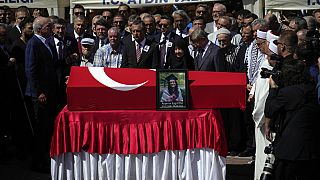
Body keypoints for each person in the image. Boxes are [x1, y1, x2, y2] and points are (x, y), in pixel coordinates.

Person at [264, 60, 320, 180]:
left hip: (289, 150)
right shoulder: (312, 90)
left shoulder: (287, 93)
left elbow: (269, 110)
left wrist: (273, 89)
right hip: (310, 148)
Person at [25, 16, 58, 172]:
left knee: (46, 128)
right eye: (48, 26)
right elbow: (31, 70)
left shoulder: (47, 42)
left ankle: (44, 158)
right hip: (40, 95)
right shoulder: (34, 44)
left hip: (50, 92)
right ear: (39, 29)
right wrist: (39, 92)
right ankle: (37, 162)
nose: (51, 29)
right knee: (40, 129)